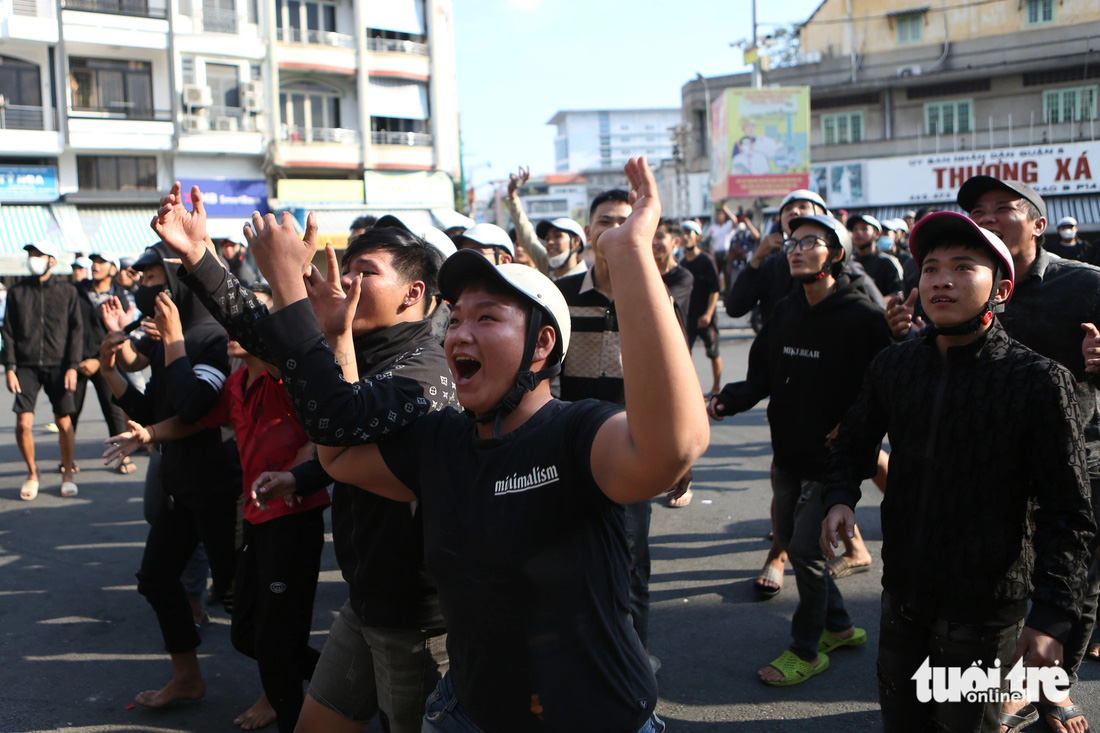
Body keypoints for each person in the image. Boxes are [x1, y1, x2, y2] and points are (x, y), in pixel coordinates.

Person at [255, 155, 708, 732]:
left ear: (542, 345)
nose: (461, 333)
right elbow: (339, 455)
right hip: (466, 715)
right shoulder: (440, 442)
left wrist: (628, 253)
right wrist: (335, 337)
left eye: (488, 317)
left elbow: (673, 446)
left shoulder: (575, 434)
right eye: (457, 318)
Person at [151, 182, 454, 733]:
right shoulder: (357, 343)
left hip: (415, 614)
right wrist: (197, 253)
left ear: (412, 294)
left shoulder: (427, 370)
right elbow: (261, 332)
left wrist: (289, 284)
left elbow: (338, 416)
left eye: (366, 270)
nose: (345, 279)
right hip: (365, 600)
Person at [823, 211, 1096, 732]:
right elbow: (854, 440)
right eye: (930, 267)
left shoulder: (1038, 381)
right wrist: (840, 496)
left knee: (966, 726)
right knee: (903, 722)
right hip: (902, 597)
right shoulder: (895, 366)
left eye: (964, 266)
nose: (942, 279)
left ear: (1001, 288)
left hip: (984, 614)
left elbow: (1069, 513)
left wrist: (1051, 617)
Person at [104, 285, 332, 733]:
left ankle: (306, 701)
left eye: (245, 320)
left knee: (272, 639)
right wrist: (147, 434)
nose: (232, 326)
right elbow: (193, 419)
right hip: (252, 516)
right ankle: (343, 675)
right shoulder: (236, 381)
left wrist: (294, 476)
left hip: (291, 518)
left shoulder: (289, 380)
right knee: (248, 634)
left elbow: (322, 434)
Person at [709, 214, 888, 686]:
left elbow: (883, 390)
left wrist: (849, 426)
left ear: (837, 255)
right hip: (787, 453)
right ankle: (841, 625)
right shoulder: (785, 310)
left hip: (835, 462)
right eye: (792, 241)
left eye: (812, 242)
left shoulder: (863, 318)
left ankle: (806, 650)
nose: (796, 248)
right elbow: (762, 376)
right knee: (789, 540)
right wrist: (728, 399)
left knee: (806, 552)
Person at [97, 242, 238, 711]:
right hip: (180, 487)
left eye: (156, 277)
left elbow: (197, 409)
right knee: (157, 579)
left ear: (182, 279)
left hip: (220, 488)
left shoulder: (213, 338)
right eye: (142, 278)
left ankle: (283, 691)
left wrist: (173, 344)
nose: (146, 287)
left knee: (240, 599)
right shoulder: (167, 341)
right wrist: (109, 367)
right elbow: (145, 409)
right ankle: (187, 677)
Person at [2, 241, 83, 500]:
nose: (32, 259)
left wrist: (72, 366)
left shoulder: (68, 291)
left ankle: (67, 473)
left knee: (63, 422)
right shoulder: (16, 293)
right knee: (24, 423)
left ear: (51, 260)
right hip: (25, 366)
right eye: (30, 255)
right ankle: (32, 473)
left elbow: (76, 330)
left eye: (38, 255)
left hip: (59, 365)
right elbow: (8, 332)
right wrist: (9, 368)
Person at [73, 252, 135, 474]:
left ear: (112, 269)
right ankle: (67, 460)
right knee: (70, 412)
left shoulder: (120, 297)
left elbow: (123, 334)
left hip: (106, 361)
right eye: (93, 262)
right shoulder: (77, 291)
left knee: (114, 410)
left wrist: (99, 361)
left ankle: (122, 457)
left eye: (101, 262)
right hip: (77, 361)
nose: (95, 266)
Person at [679, 220, 723, 398]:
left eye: (689, 233)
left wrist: (708, 314)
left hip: (706, 317)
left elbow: (715, 289)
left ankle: (716, 387)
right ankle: (692, 390)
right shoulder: (682, 264)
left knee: (713, 353)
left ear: (697, 237)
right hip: (688, 317)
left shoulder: (706, 260)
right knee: (683, 356)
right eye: (683, 233)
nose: (685, 237)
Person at [503, 166, 549, 275]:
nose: (519, 249)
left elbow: (523, 228)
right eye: (517, 244)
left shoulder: (546, 271)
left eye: (522, 244)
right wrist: (511, 193)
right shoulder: (509, 277)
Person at [652, 219, 693, 340]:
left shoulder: (683, 277)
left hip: (674, 344)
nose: (653, 242)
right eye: (651, 237)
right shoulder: (639, 274)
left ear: (676, 242)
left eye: (659, 237)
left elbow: (662, 307)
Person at [848, 214, 903, 298]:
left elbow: (898, 293)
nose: (858, 232)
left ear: (876, 234)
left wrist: (877, 306)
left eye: (864, 229)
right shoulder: (848, 263)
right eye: (855, 229)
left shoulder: (887, 262)